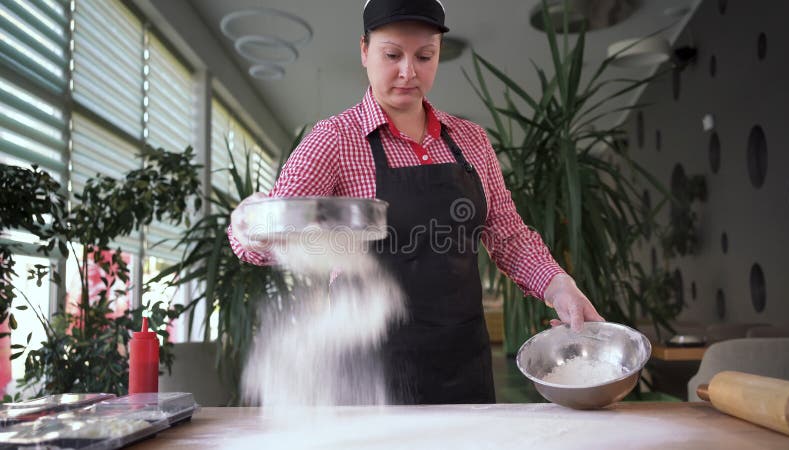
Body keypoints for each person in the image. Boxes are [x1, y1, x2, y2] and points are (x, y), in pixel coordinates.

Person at [229, 0, 604, 405]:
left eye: (425, 56)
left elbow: (508, 237)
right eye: (392, 55)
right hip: (369, 374)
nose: (409, 72)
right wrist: (250, 225)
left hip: (463, 366)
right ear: (364, 51)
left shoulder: (470, 140)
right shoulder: (333, 140)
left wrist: (559, 287)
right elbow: (270, 236)